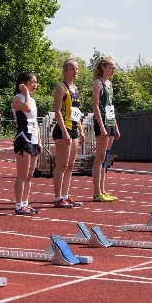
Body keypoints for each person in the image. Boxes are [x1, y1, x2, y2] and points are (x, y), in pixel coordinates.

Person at [52, 60, 84, 208]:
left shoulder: (75, 88)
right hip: (63, 130)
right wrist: (64, 131)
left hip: (74, 129)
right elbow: (57, 111)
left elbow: (76, 113)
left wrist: (81, 129)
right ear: (65, 70)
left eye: (77, 69)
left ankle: (65, 195)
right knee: (62, 165)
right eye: (72, 69)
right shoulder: (61, 88)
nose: (75, 72)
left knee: (70, 165)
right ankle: (58, 197)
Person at [11, 72, 41, 215]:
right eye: (32, 82)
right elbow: (27, 109)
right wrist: (25, 93)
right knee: (22, 175)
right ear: (23, 84)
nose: (35, 85)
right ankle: (18, 205)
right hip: (23, 137)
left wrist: (40, 141)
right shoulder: (17, 98)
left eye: (36, 82)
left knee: (29, 175)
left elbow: (35, 122)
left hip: (34, 138)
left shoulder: (32, 100)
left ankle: (25, 203)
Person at [91, 56, 120, 202]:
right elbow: (95, 105)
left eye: (114, 68)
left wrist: (115, 125)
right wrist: (101, 126)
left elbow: (111, 107)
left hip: (109, 122)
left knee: (106, 158)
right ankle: (97, 192)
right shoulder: (98, 83)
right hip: (102, 122)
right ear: (103, 67)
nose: (113, 70)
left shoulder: (110, 84)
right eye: (111, 67)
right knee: (100, 158)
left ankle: (103, 190)